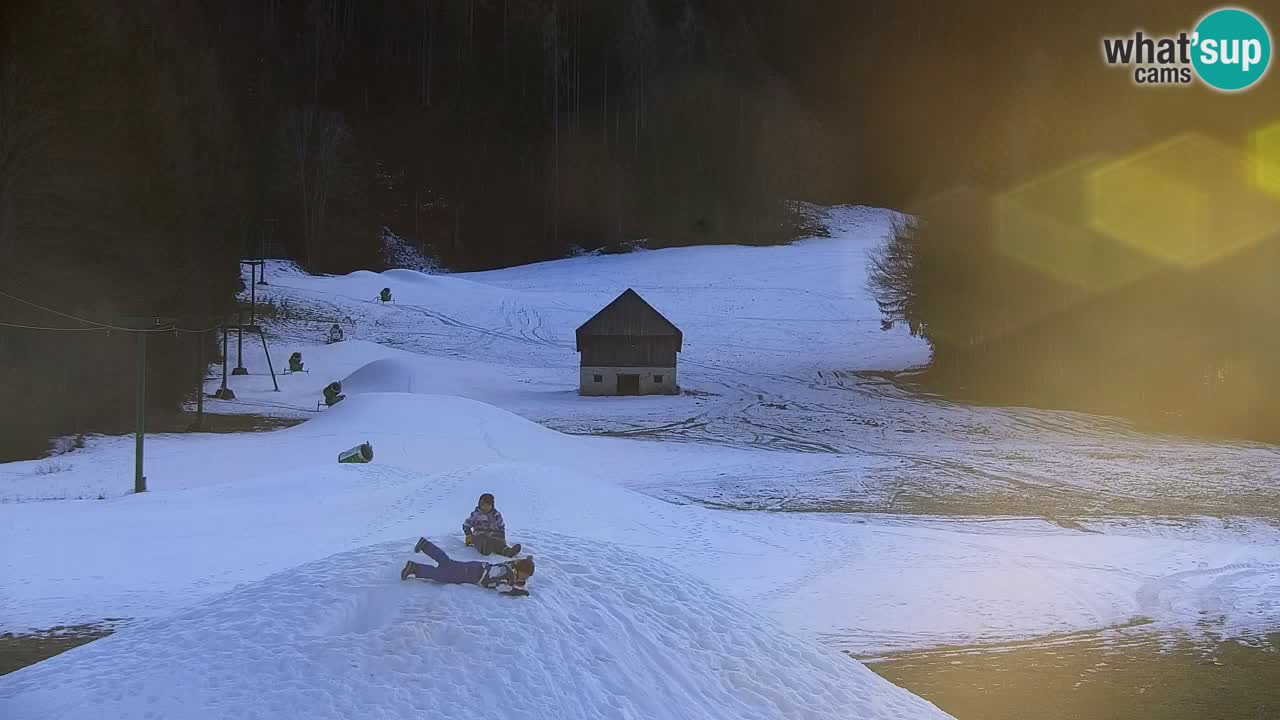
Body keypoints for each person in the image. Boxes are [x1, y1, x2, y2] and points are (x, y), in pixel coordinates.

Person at [401, 537, 534, 596]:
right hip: (471, 573)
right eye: (525, 576)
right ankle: (416, 564)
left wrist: (518, 580)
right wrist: (519, 591)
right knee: (444, 572)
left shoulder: (510, 567)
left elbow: (508, 574)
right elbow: (502, 588)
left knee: (446, 566)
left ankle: (418, 561)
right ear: (521, 570)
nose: (525, 579)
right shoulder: (509, 574)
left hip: (475, 569)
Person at [462, 493, 522, 558]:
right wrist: (469, 535)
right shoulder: (476, 515)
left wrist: (502, 538)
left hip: (493, 537)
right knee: (479, 540)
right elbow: (466, 525)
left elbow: (501, 527)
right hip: (479, 536)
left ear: (491, 505)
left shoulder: (496, 515)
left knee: (498, 544)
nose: (485, 507)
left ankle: (507, 551)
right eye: (482, 504)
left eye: (487, 505)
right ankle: (484, 548)